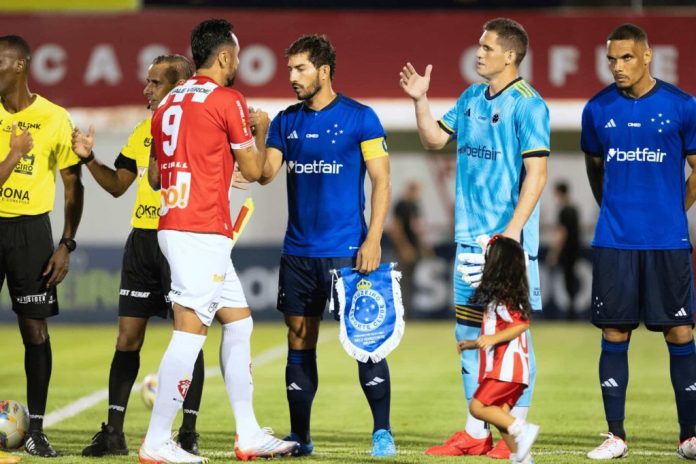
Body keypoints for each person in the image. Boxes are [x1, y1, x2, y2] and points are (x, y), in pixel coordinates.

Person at [140, 19, 297, 463]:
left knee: (240, 322)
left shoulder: (169, 100)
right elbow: (253, 170)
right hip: (199, 230)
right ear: (225, 56)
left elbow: (155, 175)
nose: (238, 66)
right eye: (237, 58)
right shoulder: (227, 99)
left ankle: (247, 434)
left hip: (184, 224)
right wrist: (261, 130)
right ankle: (156, 442)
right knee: (189, 334)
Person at [400, 17, 548, 459]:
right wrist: (420, 101)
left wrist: (512, 235)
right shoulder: (469, 98)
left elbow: (537, 175)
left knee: (512, 337)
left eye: (487, 47)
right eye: (479, 45)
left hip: (505, 244)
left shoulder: (529, 105)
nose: (478, 52)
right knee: (467, 334)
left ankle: (513, 433)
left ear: (511, 55)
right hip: (469, 241)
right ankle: (477, 432)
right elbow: (431, 140)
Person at [257, 35, 395, 457]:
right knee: (299, 339)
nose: (292, 77)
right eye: (290, 69)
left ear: (324, 71)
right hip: (298, 253)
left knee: (366, 340)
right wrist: (261, 131)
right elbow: (265, 175)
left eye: (300, 69)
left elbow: (382, 181)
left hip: (349, 252)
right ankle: (300, 436)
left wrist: (373, 238)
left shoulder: (362, 118)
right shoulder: (285, 121)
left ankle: (382, 432)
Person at [72, 55, 206, 457]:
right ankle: (113, 433)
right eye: (146, 82)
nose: (146, 90)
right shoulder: (143, 130)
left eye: (154, 83)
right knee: (127, 339)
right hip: (143, 245)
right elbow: (117, 185)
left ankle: (187, 433)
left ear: (178, 85)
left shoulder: (201, 128)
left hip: (181, 240)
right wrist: (88, 159)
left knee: (188, 339)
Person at [582, 23, 696, 460]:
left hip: (668, 241)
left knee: (680, 331)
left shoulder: (682, 106)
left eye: (626, 57)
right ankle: (616, 436)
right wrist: (609, 205)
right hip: (615, 241)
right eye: (611, 59)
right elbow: (595, 165)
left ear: (648, 56)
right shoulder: (597, 109)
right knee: (614, 331)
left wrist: (675, 207)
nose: (617, 66)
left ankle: (688, 436)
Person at [0, 35, 84, 457]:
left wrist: (66, 242)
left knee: (35, 329)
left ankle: (35, 429)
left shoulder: (54, 117)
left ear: (19, 66)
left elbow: (72, 184)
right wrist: (15, 155)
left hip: (32, 232)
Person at [459, 235, 540, 464]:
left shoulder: (506, 297)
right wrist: (473, 344)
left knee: (478, 407)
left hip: (507, 369)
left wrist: (493, 338)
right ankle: (521, 457)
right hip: (509, 369)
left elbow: (521, 324)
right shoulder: (504, 294)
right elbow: (498, 329)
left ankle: (523, 429)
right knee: (499, 416)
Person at [388, 180, 432, 318]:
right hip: (402, 250)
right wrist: (404, 248)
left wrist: (423, 247)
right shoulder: (402, 205)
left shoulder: (415, 206)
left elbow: (418, 229)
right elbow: (396, 228)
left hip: (414, 249)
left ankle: (408, 313)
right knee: (401, 281)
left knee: (410, 282)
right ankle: (399, 314)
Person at [546, 181, 581, 319]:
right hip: (575, 248)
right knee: (571, 278)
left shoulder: (563, 210)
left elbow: (562, 232)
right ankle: (572, 310)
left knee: (568, 279)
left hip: (567, 250)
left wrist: (554, 252)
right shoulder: (574, 209)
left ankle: (571, 313)